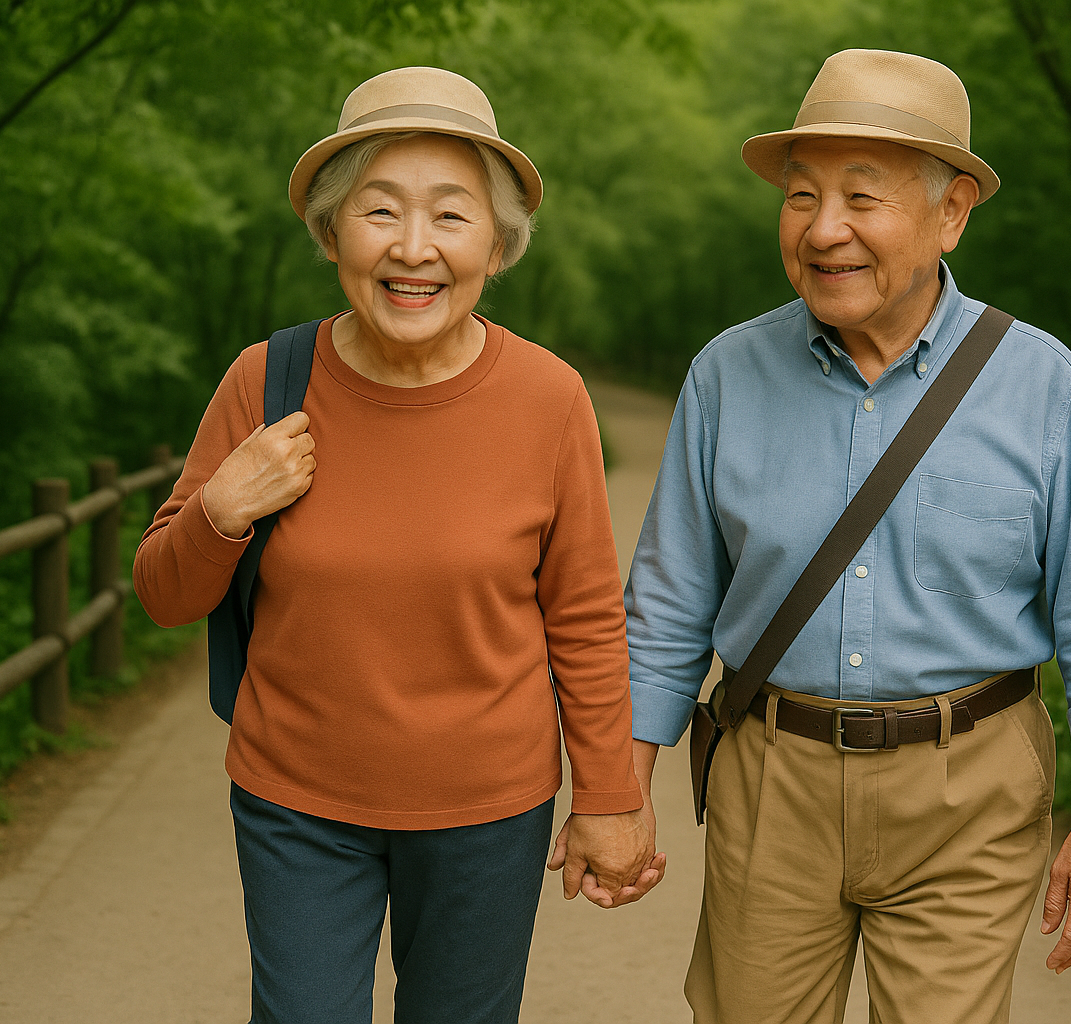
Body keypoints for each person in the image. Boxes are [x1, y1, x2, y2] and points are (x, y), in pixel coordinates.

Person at [622, 49, 1071, 1024]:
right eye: (801, 196)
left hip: (973, 781)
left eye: (861, 197)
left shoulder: (1043, 385)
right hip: (772, 776)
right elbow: (668, 603)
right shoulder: (726, 375)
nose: (823, 229)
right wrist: (620, 793)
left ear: (952, 211)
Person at [134, 66, 662, 1024]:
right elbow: (164, 594)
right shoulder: (267, 379)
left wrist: (610, 795)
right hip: (295, 799)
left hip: (489, 812)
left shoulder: (549, 400)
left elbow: (584, 616)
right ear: (333, 231)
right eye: (380, 211)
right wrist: (224, 505)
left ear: (497, 245)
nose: (413, 249)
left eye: (451, 217)